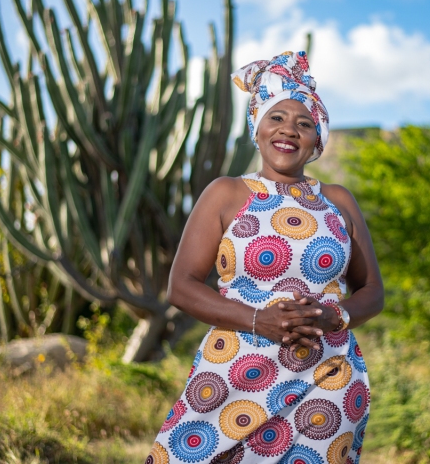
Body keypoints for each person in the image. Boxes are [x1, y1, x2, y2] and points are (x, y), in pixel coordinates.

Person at [145, 50, 384, 464]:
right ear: (257, 128)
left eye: (304, 123)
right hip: (234, 372)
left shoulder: (338, 200)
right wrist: (260, 321)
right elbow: (180, 286)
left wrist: (334, 317)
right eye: (276, 118)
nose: (289, 130)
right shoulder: (227, 193)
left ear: (316, 142)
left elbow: (372, 291)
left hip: (328, 378)